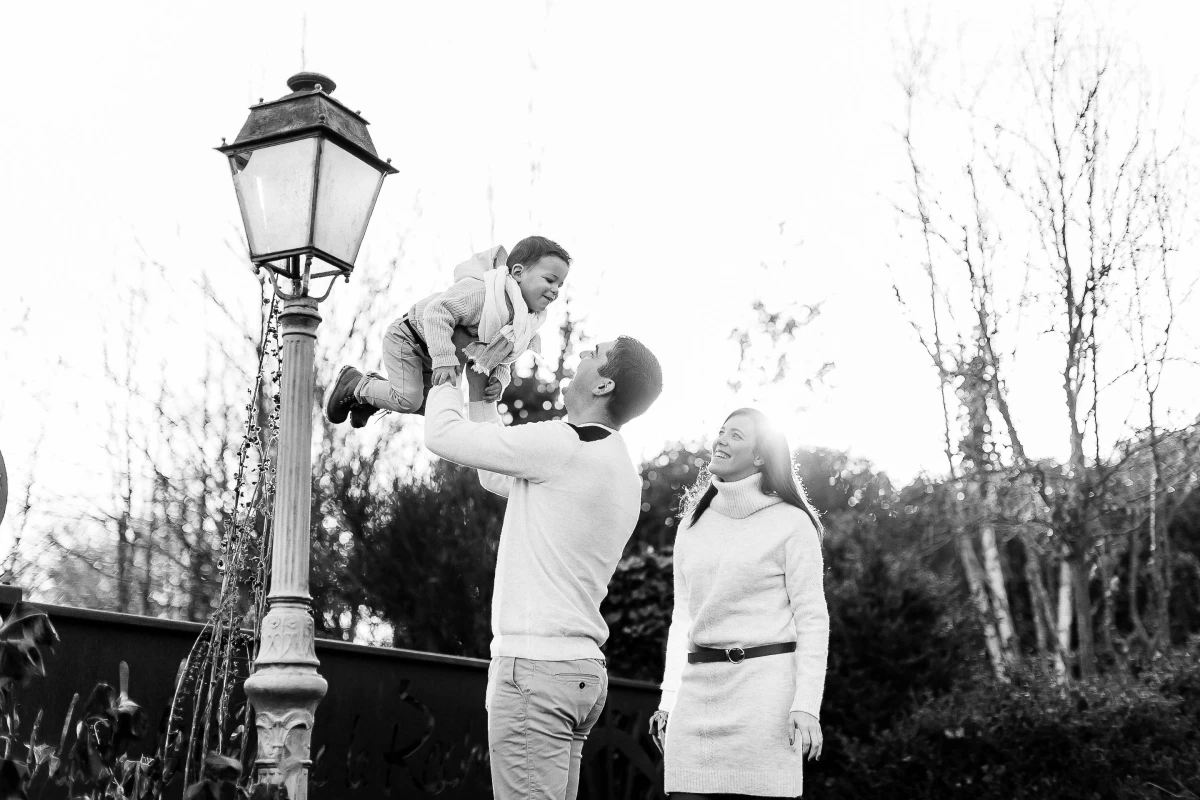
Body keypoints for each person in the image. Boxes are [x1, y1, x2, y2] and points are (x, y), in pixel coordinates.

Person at [424, 335, 663, 800]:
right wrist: (481, 398)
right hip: (579, 673)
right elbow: (497, 472)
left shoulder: (563, 444)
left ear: (604, 385)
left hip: (537, 671)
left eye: (593, 354)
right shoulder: (616, 466)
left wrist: (444, 365)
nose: (580, 356)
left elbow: (441, 436)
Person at [650, 408, 829, 799]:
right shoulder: (691, 523)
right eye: (720, 432)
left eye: (735, 435)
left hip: (765, 701)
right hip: (696, 697)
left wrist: (806, 704)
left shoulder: (793, 523)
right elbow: (682, 618)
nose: (721, 440)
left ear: (761, 456)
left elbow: (812, 618)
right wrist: (669, 700)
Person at [324, 236, 571, 427]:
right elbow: (436, 312)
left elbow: (500, 355)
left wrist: (499, 379)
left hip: (434, 358)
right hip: (410, 339)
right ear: (518, 273)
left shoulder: (522, 322)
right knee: (409, 399)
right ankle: (354, 384)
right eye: (550, 280)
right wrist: (443, 359)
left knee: (433, 408)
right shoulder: (484, 294)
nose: (556, 289)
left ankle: (370, 396)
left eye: (560, 284)